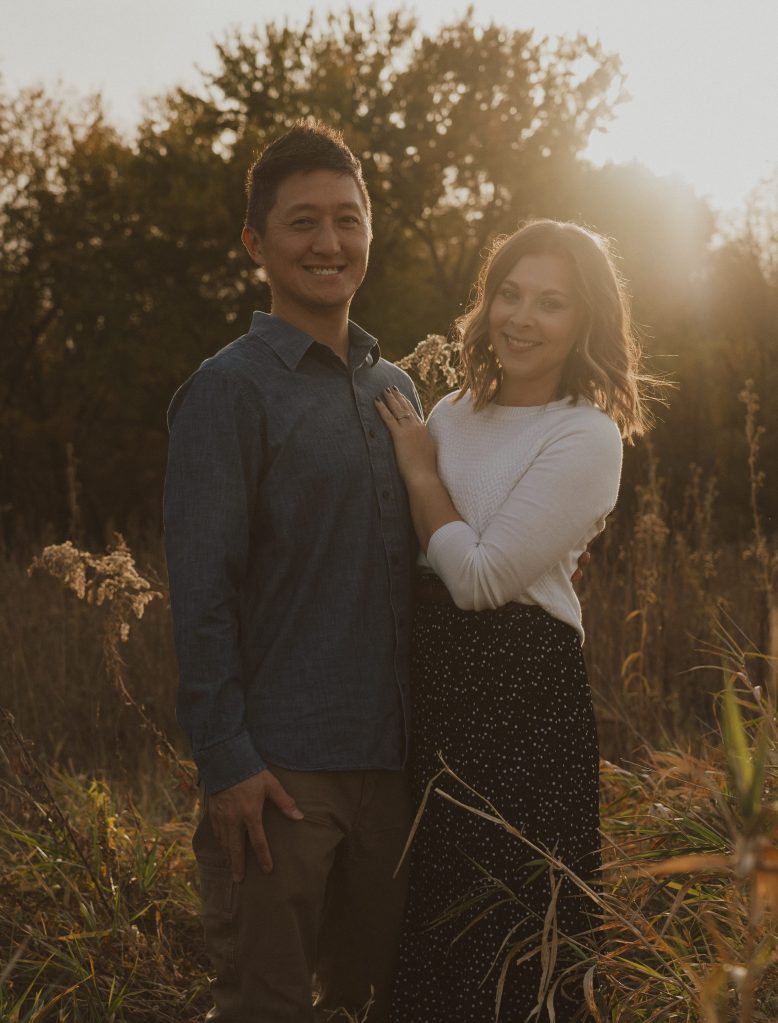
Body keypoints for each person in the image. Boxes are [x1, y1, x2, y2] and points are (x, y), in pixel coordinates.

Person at [163, 120, 421, 1023]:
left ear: (370, 232)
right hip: (280, 777)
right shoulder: (226, 391)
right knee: (266, 1006)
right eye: (302, 221)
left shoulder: (397, 390)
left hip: (395, 769)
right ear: (256, 243)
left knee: (372, 1003)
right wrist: (227, 762)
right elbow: (201, 597)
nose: (329, 242)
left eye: (347, 219)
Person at [376, 220, 652, 1021]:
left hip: (524, 693)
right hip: (434, 684)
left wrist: (422, 475)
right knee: (430, 921)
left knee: (512, 933)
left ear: (585, 320)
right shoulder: (451, 413)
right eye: (510, 293)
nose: (522, 317)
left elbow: (480, 578)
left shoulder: (586, 434)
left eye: (551, 302)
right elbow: (426, 557)